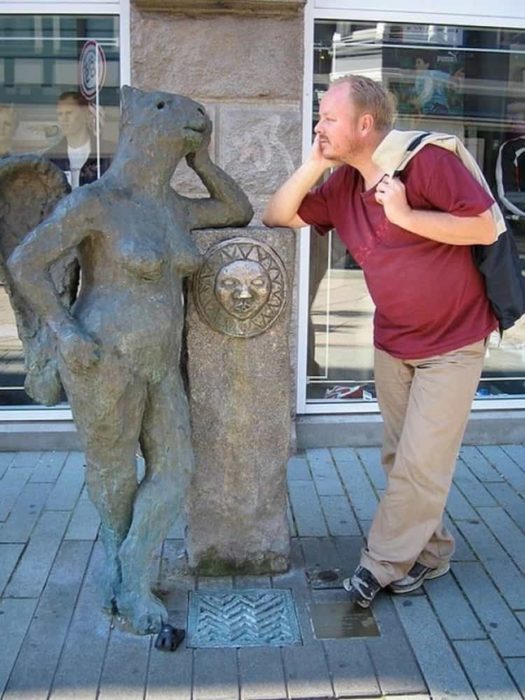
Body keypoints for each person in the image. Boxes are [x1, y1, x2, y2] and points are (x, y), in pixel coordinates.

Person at [8, 86, 253, 633]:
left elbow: (238, 209)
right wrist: (63, 330)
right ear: (143, 126)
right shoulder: (96, 202)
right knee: (115, 473)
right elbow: (26, 262)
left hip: (161, 363)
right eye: (172, 112)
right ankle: (129, 587)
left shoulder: (170, 207)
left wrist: (204, 161)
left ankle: (126, 572)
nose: (192, 119)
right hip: (103, 358)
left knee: (177, 466)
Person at [263, 74, 497, 608]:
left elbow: (484, 226)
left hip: (455, 342)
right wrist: (316, 164)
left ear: (365, 126)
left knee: (420, 464)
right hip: (393, 343)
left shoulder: (426, 162)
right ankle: (432, 553)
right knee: (402, 460)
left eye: (328, 117)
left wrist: (407, 215)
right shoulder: (343, 185)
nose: (319, 124)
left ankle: (381, 565)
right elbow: (277, 215)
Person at [46, 90, 112, 188]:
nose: (63, 119)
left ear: (85, 114)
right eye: (60, 114)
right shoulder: (51, 158)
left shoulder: (107, 153)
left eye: (69, 113)